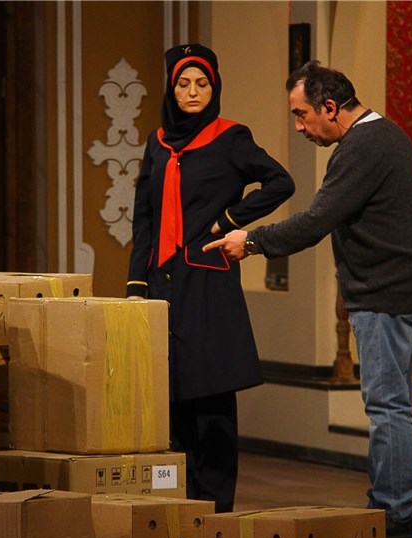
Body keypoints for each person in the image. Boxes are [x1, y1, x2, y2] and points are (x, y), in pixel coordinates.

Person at [204, 61, 412, 538]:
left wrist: (251, 241)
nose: (299, 127)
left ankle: (396, 513)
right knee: (391, 402)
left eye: (301, 114)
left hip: (389, 291)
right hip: (404, 286)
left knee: (387, 406)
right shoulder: (385, 135)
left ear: (330, 107)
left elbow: (316, 221)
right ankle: (391, 506)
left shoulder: (363, 146)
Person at [126, 43, 295, 513]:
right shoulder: (158, 142)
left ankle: (216, 508)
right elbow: (144, 218)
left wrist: (228, 221)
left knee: (212, 395)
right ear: (171, 88)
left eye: (202, 83)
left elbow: (280, 182)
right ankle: (177, 504)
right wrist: (136, 284)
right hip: (162, 283)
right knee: (171, 395)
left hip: (208, 281)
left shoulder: (230, 138)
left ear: (214, 86)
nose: (192, 92)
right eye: (183, 83)